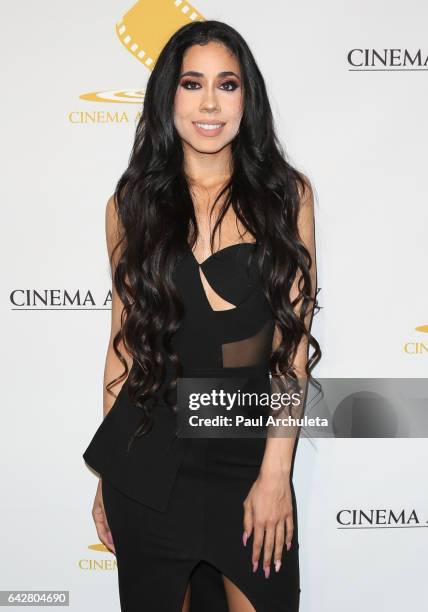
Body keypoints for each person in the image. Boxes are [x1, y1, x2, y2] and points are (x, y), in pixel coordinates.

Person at [83, 19, 321, 612]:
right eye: (192, 84)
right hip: (149, 465)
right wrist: (108, 477)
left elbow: (290, 353)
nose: (210, 102)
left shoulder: (288, 198)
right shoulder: (130, 204)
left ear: (248, 99)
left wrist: (275, 476)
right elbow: (123, 346)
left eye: (228, 84)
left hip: (248, 463)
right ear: (169, 97)